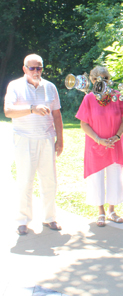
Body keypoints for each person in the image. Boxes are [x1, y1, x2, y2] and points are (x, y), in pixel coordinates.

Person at [4, 54, 64, 235]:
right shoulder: (15, 86)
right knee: (25, 180)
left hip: (46, 139)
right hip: (24, 138)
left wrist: (60, 140)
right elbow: (8, 111)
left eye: (39, 68)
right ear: (24, 69)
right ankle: (23, 221)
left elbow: (57, 115)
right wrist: (32, 108)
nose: (36, 71)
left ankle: (50, 218)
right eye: (32, 68)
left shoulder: (50, 87)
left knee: (49, 181)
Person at [75, 66, 123, 227]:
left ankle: (112, 210)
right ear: (91, 80)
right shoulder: (89, 99)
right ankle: (101, 212)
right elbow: (83, 124)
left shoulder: (116, 96)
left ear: (109, 79)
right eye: (96, 78)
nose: (101, 81)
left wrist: (117, 136)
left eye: (105, 78)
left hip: (114, 144)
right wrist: (98, 139)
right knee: (96, 178)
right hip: (95, 145)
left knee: (115, 177)